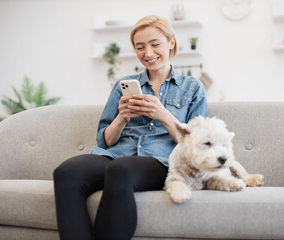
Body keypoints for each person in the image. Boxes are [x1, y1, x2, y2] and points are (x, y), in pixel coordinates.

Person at [53, 15, 208, 240]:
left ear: (171, 42)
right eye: (140, 47)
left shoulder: (192, 88)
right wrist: (122, 118)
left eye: (155, 44)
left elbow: (197, 145)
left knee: (121, 169)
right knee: (66, 172)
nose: (148, 53)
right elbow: (104, 141)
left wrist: (163, 115)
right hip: (115, 156)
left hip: (160, 161)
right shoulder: (122, 85)